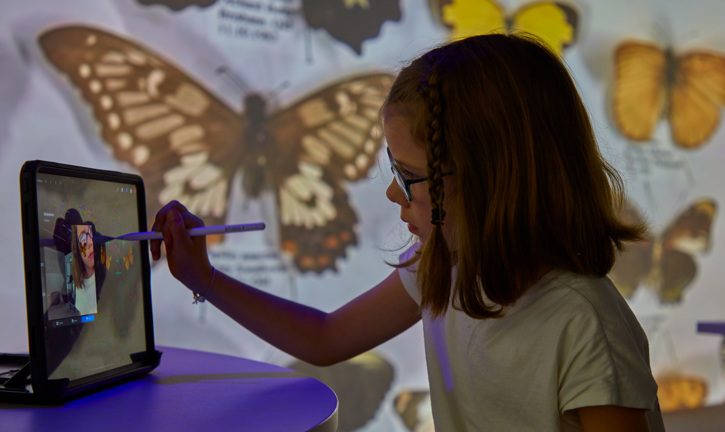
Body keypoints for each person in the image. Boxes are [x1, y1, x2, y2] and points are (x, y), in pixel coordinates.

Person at [151, 33, 665, 431]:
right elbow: (324, 338)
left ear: (492, 178)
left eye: (408, 176)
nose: (395, 195)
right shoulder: (442, 266)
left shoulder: (586, 323)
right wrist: (205, 277)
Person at [71, 223, 98, 315]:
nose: (90, 242)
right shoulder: (79, 286)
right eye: (83, 238)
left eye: (91, 233)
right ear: (77, 250)